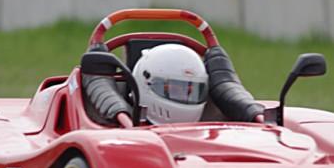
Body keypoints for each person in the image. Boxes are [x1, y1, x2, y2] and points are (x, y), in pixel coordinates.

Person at [82, 43, 264, 127]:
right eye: (175, 89)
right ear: (145, 83)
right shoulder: (111, 127)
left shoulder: (213, 120)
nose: (184, 96)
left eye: (191, 90)